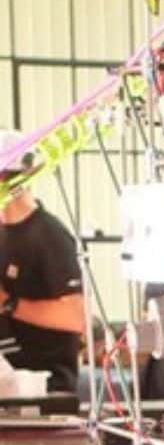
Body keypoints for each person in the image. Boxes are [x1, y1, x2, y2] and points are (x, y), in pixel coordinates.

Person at [0, 154, 85, 395]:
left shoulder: (50, 235)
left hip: (43, 388)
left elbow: (75, 316)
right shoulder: (4, 233)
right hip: (9, 382)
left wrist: (8, 303)